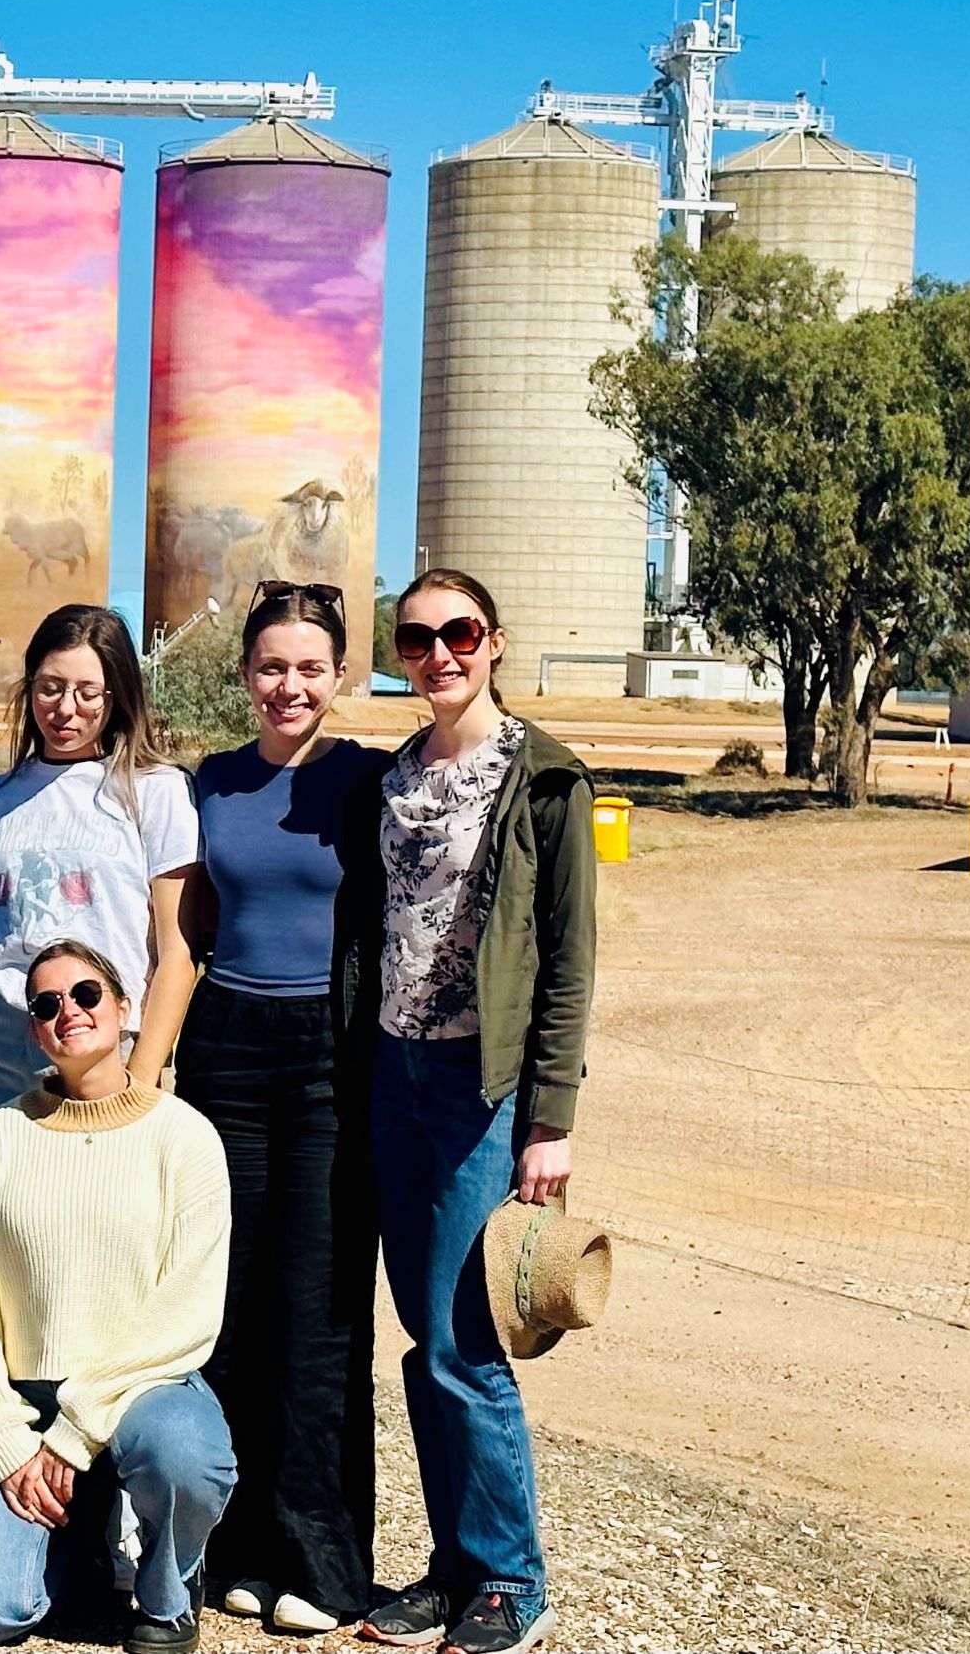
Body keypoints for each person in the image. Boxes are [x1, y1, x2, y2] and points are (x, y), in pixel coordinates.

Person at [341, 569, 595, 1654]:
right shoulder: (393, 774)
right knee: (422, 1338)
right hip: (389, 1075)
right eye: (416, 637)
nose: (438, 653)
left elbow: (569, 961)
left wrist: (550, 1117)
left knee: (466, 1342)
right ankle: (452, 1570)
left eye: (459, 633)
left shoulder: (540, 777)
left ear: (493, 641)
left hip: (476, 1086)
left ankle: (510, 1580)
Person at [171, 583, 389, 1636]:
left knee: (320, 1313)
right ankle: (239, 1550)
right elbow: (191, 928)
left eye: (308, 667)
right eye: (269, 666)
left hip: (328, 1062)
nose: (287, 685)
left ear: (338, 675)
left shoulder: (370, 780)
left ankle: (326, 1565)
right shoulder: (209, 782)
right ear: (244, 674)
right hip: (225, 1051)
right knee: (230, 1310)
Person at [0, 941, 235, 1654]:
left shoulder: (183, 1137)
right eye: (47, 1003)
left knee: (186, 1456)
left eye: (87, 993)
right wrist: (7, 1443)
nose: (69, 1011)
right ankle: (79, 1541)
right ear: (34, 1028)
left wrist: (79, 1428)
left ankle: (168, 1589)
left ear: (124, 1009)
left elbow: (187, 1308)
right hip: (28, 1402)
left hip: (141, 1389)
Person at [0, 604, 198, 1157]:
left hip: (103, 1048)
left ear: (116, 695)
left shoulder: (155, 792)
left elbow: (177, 953)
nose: (66, 709)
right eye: (50, 687)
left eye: (87, 691)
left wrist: (142, 1079)